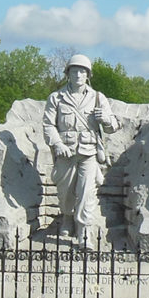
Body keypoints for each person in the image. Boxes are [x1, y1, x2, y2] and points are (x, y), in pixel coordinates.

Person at [42, 54, 120, 244]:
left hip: (88, 153)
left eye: (82, 71)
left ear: (88, 75)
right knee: (66, 193)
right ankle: (67, 218)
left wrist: (105, 119)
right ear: (68, 74)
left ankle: (84, 232)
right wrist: (58, 144)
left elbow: (113, 126)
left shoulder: (98, 98)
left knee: (87, 193)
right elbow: (48, 125)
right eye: (74, 71)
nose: (78, 75)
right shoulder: (56, 98)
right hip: (66, 153)